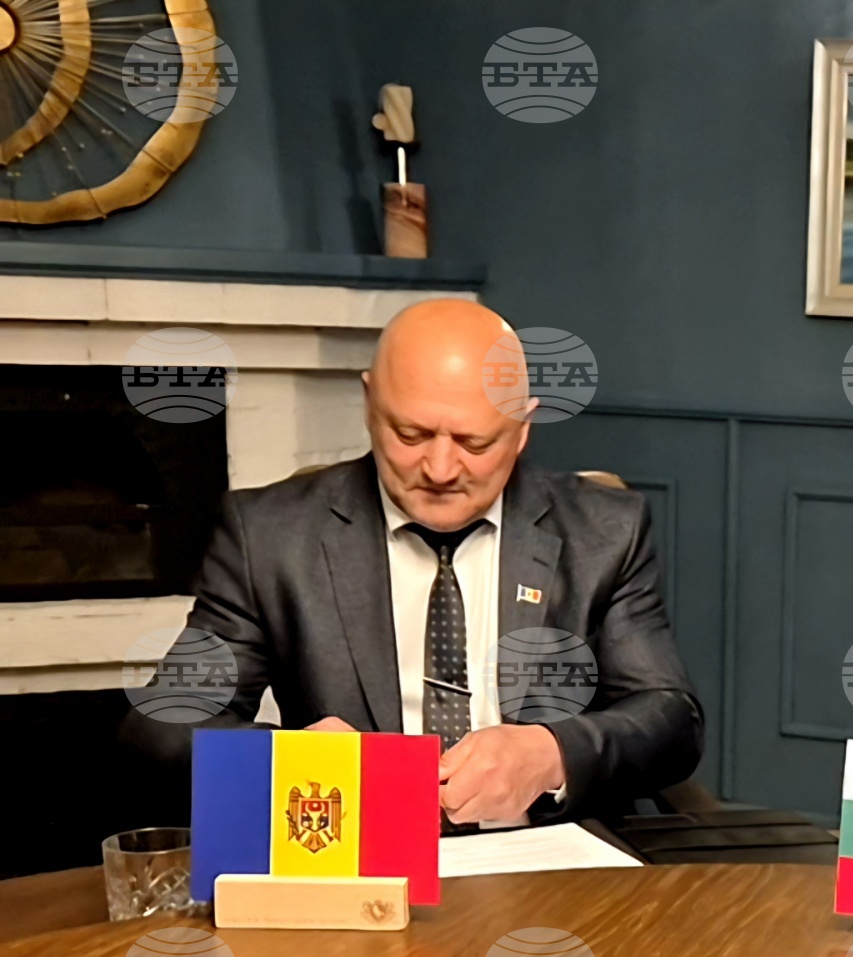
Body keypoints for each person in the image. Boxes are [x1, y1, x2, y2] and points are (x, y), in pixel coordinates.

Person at [126, 298, 701, 826]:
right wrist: (291, 757)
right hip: (359, 857)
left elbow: (670, 720)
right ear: (369, 404)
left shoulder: (604, 531)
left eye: (474, 443)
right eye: (410, 434)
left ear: (523, 427)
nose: (441, 470)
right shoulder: (271, 535)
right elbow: (160, 728)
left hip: (548, 860)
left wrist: (551, 754)